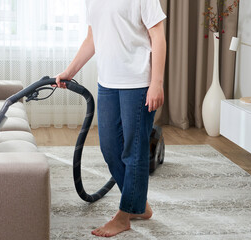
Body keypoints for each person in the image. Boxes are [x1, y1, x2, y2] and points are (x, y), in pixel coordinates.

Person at [55, 0, 167, 237]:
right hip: (107, 82)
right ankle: (139, 204)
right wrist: (69, 71)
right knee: (109, 148)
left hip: (138, 83)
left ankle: (124, 215)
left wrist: (156, 83)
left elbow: (157, 36)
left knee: (133, 151)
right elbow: (92, 38)